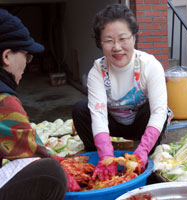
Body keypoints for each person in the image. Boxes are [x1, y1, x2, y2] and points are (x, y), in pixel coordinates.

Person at [72, 3, 172, 181]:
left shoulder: (150, 65)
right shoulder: (97, 71)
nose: (116, 47)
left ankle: (146, 156)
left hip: (141, 121)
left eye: (123, 38)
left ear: (134, 38)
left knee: (158, 111)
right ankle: (98, 159)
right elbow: (99, 116)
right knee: (80, 110)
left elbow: (158, 111)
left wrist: (141, 150)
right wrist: (106, 157)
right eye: (109, 40)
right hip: (114, 121)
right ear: (100, 43)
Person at [0, 9, 80, 200]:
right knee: (51, 173)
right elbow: (36, 151)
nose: (27, 63)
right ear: (7, 56)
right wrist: (72, 173)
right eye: (26, 55)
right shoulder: (4, 102)